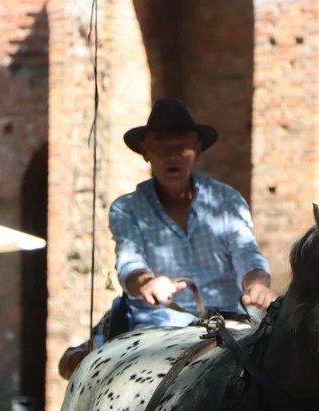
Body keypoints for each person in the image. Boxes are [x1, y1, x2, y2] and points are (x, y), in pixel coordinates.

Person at [57, 98, 277, 379]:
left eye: (182, 146)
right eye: (162, 147)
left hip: (226, 326)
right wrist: (148, 283)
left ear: (196, 150)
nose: (172, 155)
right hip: (155, 333)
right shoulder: (127, 208)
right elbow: (129, 262)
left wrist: (257, 283)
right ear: (146, 152)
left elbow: (247, 252)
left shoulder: (227, 201)